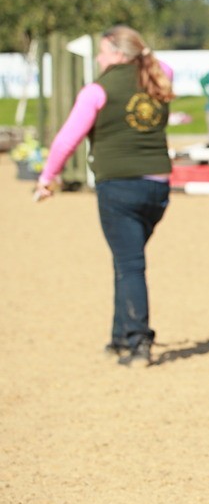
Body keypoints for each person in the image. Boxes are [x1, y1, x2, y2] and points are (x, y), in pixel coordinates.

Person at [34, 26, 175, 367]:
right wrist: (143, 54)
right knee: (126, 259)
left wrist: (47, 178)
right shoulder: (158, 78)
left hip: (119, 185)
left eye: (103, 51)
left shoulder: (97, 90)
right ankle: (120, 336)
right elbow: (164, 66)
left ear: (118, 54)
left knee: (129, 264)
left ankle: (138, 342)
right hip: (158, 186)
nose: (98, 59)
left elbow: (66, 139)